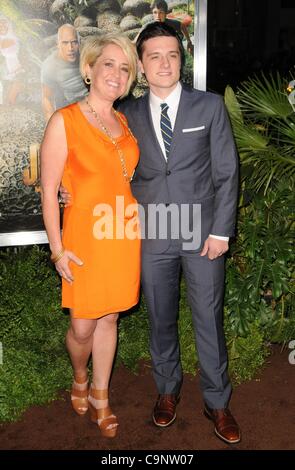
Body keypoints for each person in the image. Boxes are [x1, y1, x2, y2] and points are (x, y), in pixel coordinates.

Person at [61, 23, 241, 444]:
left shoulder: (209, 107)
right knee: (161, 319)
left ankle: (217, 401)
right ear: (141, 65)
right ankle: (166, 391)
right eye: (154, 56)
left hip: (202, 235)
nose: (164, 63)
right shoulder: (125, 116)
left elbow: (227, 172)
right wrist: (65, 186)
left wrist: (222, 232)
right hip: (150, 233)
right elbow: (103, 164)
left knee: (208, 320)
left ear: (182, 60)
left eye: (172, 55)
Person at [40, 33, 140, 438]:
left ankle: (101, 395)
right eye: (109, 64)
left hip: (122, 234)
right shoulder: (64, 120)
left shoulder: (125, 121)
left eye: (125, 68)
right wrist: (57, 250)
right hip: (82, 238)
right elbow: (48, 190)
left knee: (111, 317)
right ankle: (79, 374)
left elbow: (123, 177)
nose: (116, 74)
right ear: (89, 69)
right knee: (82, 327)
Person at [41, 24, 88, 121]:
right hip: (72, 108)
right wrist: (51, 123)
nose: (70, 48)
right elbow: (46, 98)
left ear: (79, 42)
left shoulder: (87, 55)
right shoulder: (50, 66)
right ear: (58, 44)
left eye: (74, 42)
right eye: (65, 43)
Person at [0, 15, 24, 104]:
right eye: (0, 24)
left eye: (4, 23)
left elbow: (6, 44)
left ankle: (11, 104)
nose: (2, 26)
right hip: (6, 68)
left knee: (17, 86)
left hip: (16, 66)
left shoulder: (13, 36)